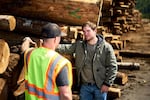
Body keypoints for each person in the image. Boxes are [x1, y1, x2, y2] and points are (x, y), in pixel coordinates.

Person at [58, 21, 118, 100]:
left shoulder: (106, 47)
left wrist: (107, 84)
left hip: (100, 86)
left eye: (88, 31)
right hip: (85, 87)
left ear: (95, 31)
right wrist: (50, 45)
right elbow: (65, 48)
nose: (86, 34)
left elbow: (113, 67)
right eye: (84, 31)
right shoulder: (79, 45)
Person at [22, 23, 73, 100]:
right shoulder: (60, 63)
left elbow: (24, 49)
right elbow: (65, 94)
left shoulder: (30, 54)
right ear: (56, 39)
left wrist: (26, 40)